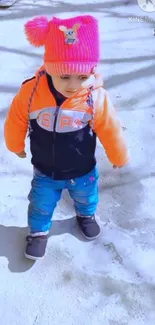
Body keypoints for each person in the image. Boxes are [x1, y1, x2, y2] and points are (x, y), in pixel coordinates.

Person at [4, 15, 129, 261]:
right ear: (50, 69)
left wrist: (118, 154)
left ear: (91, 73)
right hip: (45, 170)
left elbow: (110, 127)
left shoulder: (94, 97)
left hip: (82, 169)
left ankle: (86, 215)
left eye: (82, 78)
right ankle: (38, 232)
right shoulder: (31, 92)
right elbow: (16, 118)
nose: (73, 86)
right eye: (64, 77)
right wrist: (15, 145)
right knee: (41, 204)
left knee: (87, 196)